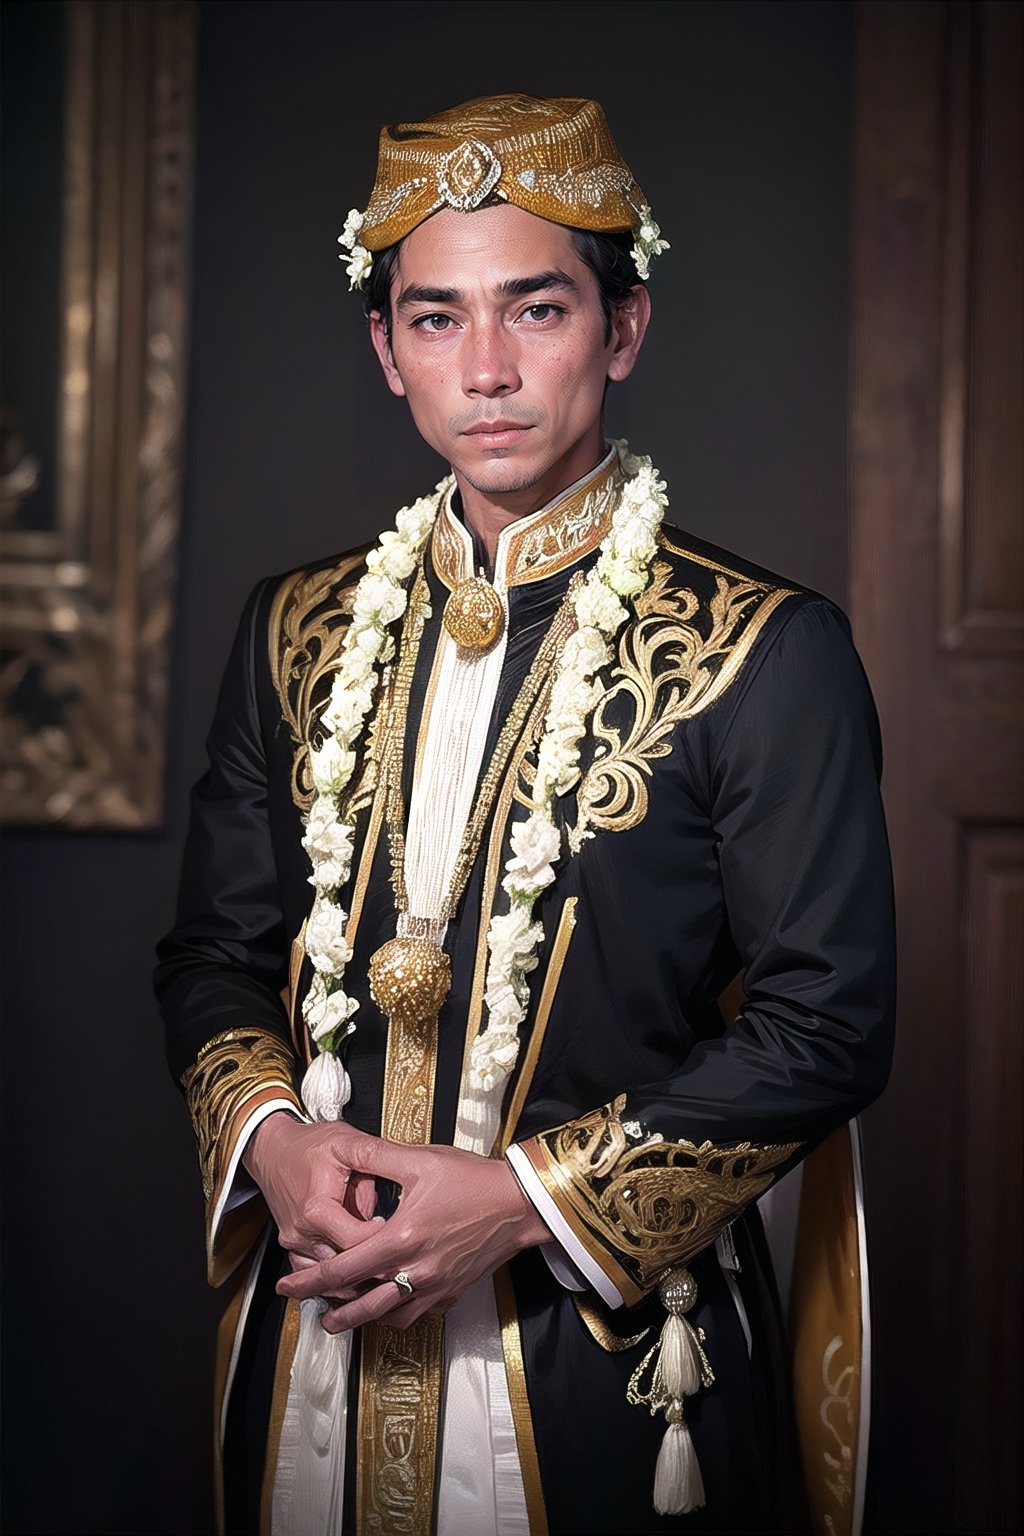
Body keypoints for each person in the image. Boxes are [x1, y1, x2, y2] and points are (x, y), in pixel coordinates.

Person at [155, 93, 895, 1536]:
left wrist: (519, 1201)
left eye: (535, 311)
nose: (486, 370)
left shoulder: (761, 647)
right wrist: (274, 1145)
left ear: (622, 328)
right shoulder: (297, 629)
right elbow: (212, 959)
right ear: (385, 352)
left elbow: (831, 1025)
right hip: (313, 1348)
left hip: (608, 1371)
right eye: (435, 320)